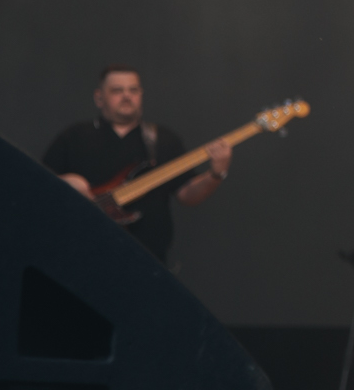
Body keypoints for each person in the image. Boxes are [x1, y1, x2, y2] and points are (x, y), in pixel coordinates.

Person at [43, 66, 231, 264]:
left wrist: (215, 175)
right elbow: (39, 185)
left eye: (133, 90)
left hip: (148, 259)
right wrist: (65, 183)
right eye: (117, 90)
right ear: (99, 98)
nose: (127, 96)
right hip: (82, 255)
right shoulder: (74, 137)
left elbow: (186, 194)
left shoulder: (164, 140)